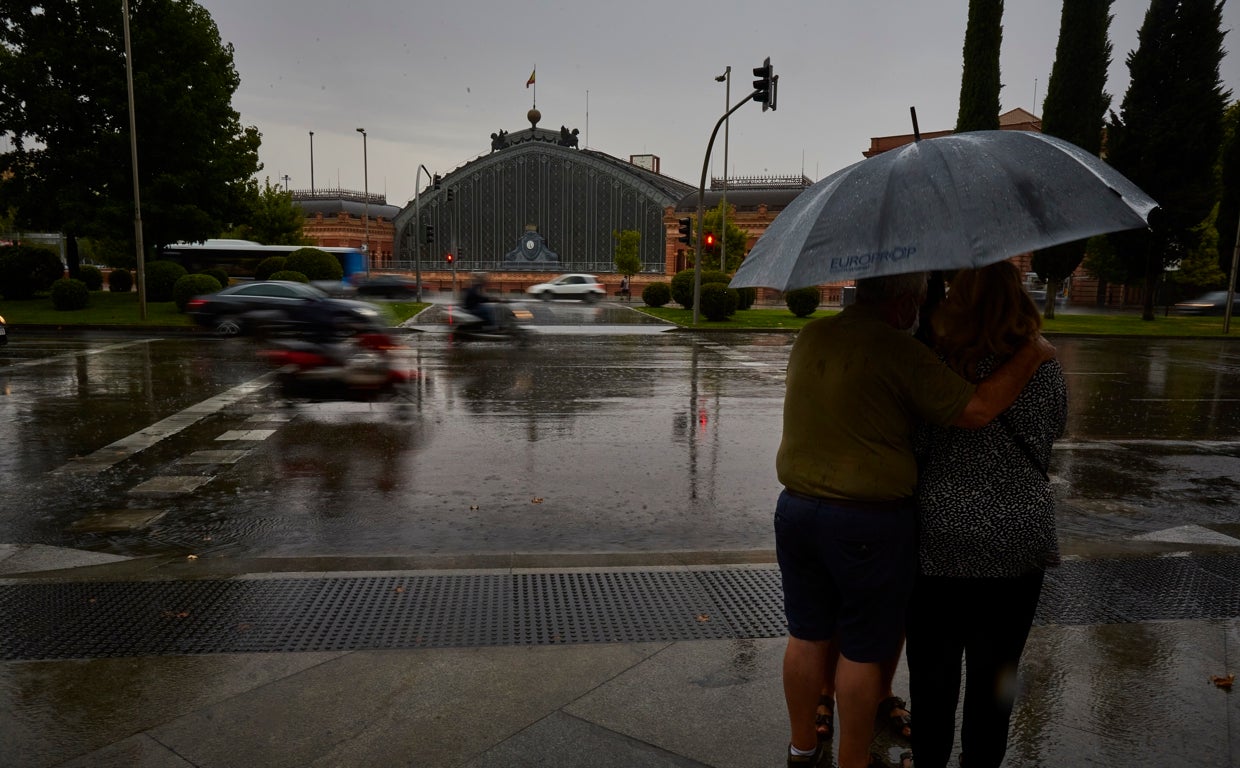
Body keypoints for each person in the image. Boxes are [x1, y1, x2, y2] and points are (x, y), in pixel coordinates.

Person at [774, 271, 1055, 768]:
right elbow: (988, 413)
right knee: (884, 651)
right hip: (987, 534)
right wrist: (1032, 351)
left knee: (816, 636)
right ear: (905, 302)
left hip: (811, 513)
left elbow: (919, 440)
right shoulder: (916, 356)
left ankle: (804, 748)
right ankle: (858, 762)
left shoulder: (814, 334)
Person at [905, 262, 1068, 768]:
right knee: (997, 677)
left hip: (940, 542)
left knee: (933, 679)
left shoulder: (939, 362)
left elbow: (918, 441)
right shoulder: (1044, 365)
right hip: (1019, 541)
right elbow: (1051, 433)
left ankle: (929, 760)